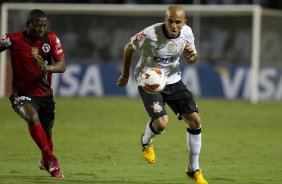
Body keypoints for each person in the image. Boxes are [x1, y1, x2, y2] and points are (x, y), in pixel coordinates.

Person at [117, 5, 208, 184]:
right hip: (149, 81)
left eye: (178, 22)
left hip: (173, 80)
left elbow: (192, 58)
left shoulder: (187, 33)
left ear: (184, 22)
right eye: (170, 21)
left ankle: (194, 169)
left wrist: (192, 57)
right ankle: (146, 141)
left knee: (195, 120)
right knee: (161, 124)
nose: (174, 26)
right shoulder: (150, 34)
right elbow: (128, 48)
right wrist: (126, 75)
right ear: (165, 19)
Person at [0, 9, 66, 178]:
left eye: (44, 26)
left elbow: (62, 65)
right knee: (32, 117)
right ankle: (52, 160)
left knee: (47, 131)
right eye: (37, 26)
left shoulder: (51, 39)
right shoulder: (13, 39)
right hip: (21, 94)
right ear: (28, 25)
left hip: (45, 95)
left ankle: (45, 160)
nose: (41, 29)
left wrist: (48, 68)